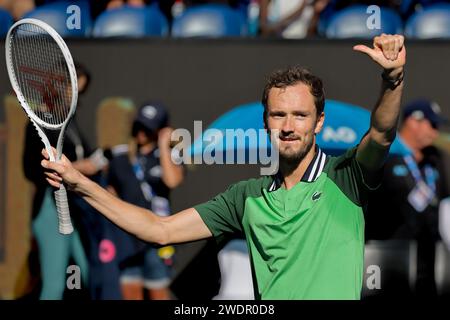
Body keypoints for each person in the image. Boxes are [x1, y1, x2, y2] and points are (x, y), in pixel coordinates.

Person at [41, 34, 406, 299]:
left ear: (319, 122)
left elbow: (382, 131)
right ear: (266, 123)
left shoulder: (346, 177)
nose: (289, 126)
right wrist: (79, 183)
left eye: (300, 115)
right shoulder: (246, 197)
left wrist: (392, 81)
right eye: (279, 115)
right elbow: (159, 230)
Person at [23, 62, 107, 299]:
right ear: (58, 86)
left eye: (81, 91)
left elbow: (85, 156)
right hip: (51, 208)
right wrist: (79, 168)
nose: (76, 97)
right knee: (54, 286)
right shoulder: (39, 121)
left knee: (90, 275)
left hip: (76, 210)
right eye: (73, 89)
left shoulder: (71, 121)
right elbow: (30, 169)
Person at [366, 99, 450, 297]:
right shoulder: (385, 155)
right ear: (413, 122)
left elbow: (444, 202)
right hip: (387, 252)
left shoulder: (434, 160)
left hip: (427, 256)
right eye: (433, 125)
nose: (436, 132)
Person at [106, 102, 184, 300]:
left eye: (148, 128)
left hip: (156, 238)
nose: (142, 132)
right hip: (127, 239)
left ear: (160, 130)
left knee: (159, 293)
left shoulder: (168, 156)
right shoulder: (120, 157)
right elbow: (110, 192)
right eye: (139, 126)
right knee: (131, 293)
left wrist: (164, 146)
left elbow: (173, 180)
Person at [259, 0, 330, 38]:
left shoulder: (309, 3)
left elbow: (310, 30)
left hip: (301, 50)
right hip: (276, 48)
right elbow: (265, 28)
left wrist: (316, 13)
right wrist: (299, 10)